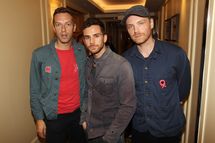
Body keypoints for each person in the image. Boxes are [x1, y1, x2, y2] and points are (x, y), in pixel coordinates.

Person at [122, 5, 191, 143]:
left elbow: (183, 91)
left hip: (168, 129)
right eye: (130, 26)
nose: (136, 30)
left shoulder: (176, 54)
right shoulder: (124, 60)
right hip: (140, 129)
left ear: (151, 23)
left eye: (141, 23)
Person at [30, 7, 87, 143]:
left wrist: (86, 114)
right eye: (58, 25)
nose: (63, 30)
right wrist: (39, 119)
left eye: (67, 24)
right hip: (53, 117)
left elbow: (86, 83)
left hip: (78, 115)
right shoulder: (40, 55)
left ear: (74, 27)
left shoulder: (81, 50)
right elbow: (34, 90)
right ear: (53, 28)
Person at [81, 18, 137, 143]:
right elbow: (86, 93)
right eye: (87, 37)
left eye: (96, 36)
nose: (92, 41)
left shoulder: (121, 65)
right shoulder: (88, 63)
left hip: (109, 135)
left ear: (105, 38)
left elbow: (128, 106)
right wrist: (83, 119)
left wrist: (110, 137)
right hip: (89, 131)